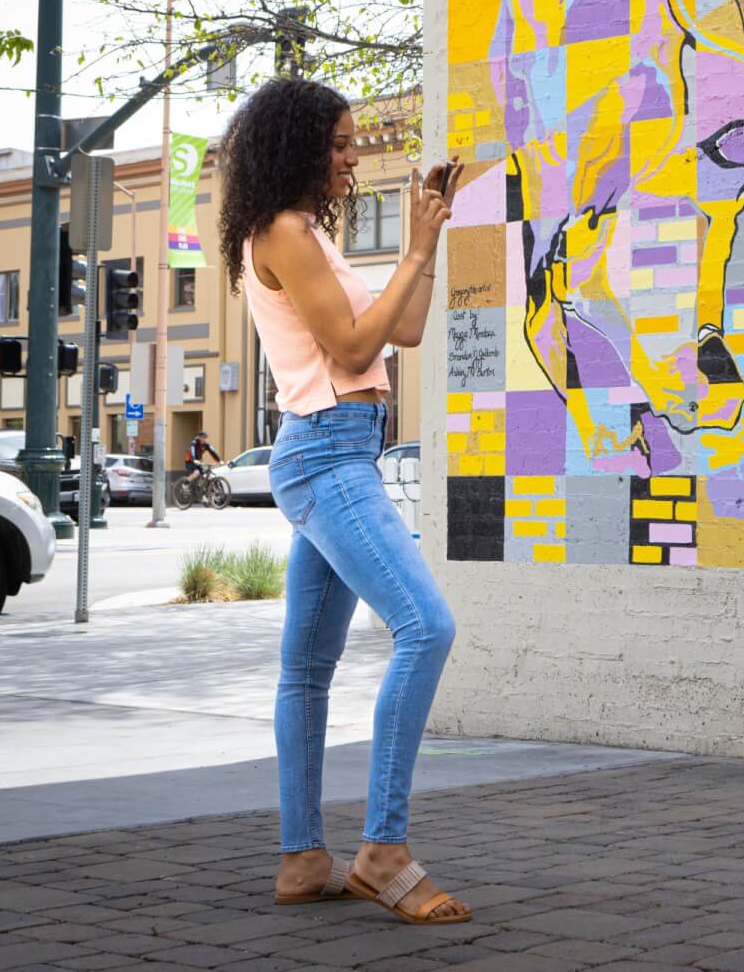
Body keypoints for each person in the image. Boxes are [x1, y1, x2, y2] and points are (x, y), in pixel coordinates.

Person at [216, 77, 470, 924]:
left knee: (308, 666)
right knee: (426, 625)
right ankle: (383, 848)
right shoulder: (283, 233)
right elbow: (356, 341)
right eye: (339, 143)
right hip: (327, 451)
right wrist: (409, 256)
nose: (352, 155)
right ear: (295, 146)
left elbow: (404, 330)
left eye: (352, 141)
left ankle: (301, 858)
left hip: (339, 446)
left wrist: (425, 242)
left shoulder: (307, 234)